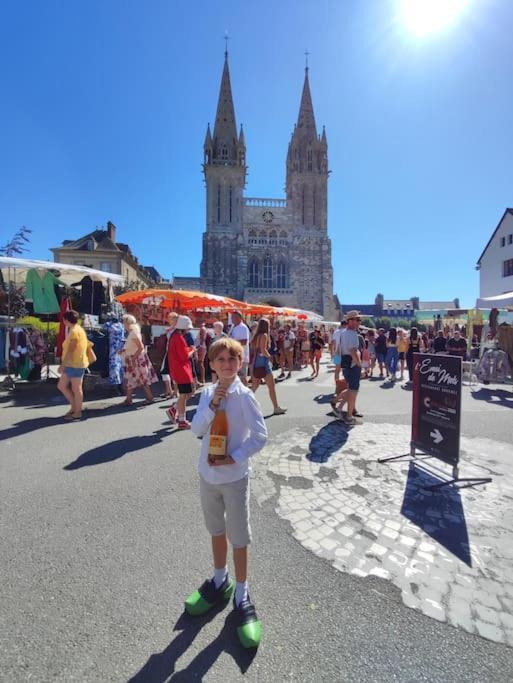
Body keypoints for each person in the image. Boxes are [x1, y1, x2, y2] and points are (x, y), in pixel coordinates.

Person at [187, 337, 268, 648]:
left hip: (233, 476)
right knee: (216, 529)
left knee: (238, 536)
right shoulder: (208, 393)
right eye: (220, 359)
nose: (226, 364)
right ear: (211, 364)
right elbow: (196, 430)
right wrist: (212, 405)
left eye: (232, 359)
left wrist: (235, 456)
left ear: (240, 363)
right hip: (208, 474)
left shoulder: (245, 397)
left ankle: (242, 590)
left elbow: (261, 436)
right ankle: (220, 578)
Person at [250, 318, 287, 415]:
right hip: (263, 361)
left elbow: (257, 350)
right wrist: (270, 357)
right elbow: (263, 350)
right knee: (271, 386)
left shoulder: (256, 335)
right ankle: (276, 407)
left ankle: (243, 403)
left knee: (255, 386)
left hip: (256, 361)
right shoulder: (264, 335)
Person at [57, 309, 89, 420]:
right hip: (75, 363)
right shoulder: (77, 329)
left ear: (66, 320)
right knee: (62, 385)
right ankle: (75, 407)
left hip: (75, 364)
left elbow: (71, 350)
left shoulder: (75, 331)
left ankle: (78, 411)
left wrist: (63, 364)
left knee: (76, 388)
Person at [119, 314, 157, 406]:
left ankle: (150, 397)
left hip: (137, 359)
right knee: (131, 379)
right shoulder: (133, 332)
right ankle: (129, 399)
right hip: (135, 358)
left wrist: (133, 358)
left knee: (142, 379)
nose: (123, 325)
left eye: (124, 322)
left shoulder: (133, 333)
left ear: (127, 323)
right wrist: (125, 351)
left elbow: (140, 347)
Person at [166, 315, 196, 429]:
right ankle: (181, 420)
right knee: (185, 394)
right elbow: (184, 356)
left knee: (187, 393)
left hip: (178, 369)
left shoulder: (175, 336)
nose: (189, 330)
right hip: (182, 370)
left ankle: (174, 410)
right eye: (188, 328)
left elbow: (180, 353)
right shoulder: (178, 337)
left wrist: (189, 350)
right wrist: (192, 350)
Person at [338, 310, 362, 425]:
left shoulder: (343, 333)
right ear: (350, 321)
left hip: (346, 365)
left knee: (350, 389)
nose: (359, 322)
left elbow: (339, 349)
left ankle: (337, 405)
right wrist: (359, 364)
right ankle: (349, 416)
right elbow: (353, 351)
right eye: (357, 320)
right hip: (352, 366)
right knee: (353, 391)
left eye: (359, 320)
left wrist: (337, 364)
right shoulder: (352, 334)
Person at [229, 311, 250, 386]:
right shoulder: (233, 326)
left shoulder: (243, 327)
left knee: (242, 377)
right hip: (234, 356)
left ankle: (246, 393)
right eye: (231, 317)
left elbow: (244, 341)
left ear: (239, 318)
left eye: (233, 317)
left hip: (242, 357)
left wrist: (231, 342)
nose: (232, 319)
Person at [160, 312, 178, 399]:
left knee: (172, 372)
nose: (168, 320)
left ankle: (174, 391)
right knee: (165, 371)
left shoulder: (177, 330)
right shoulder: (171, 329)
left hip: (173, 353)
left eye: (170, 318)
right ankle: (170, 390)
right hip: (169, 352)